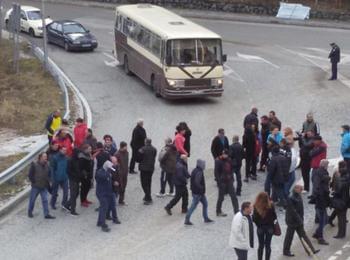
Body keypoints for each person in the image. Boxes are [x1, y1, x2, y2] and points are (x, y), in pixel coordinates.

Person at [283, 184, 320, 257]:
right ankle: (286, 251)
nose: (301, 191)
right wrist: (300, 220)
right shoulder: (291, 198)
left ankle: (311, 250)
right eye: (300, 189)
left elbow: (300, 210)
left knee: (303, 236)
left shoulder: (297, 196)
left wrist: (301, 219)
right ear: (296, 189)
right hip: (292, 221)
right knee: (289, 237)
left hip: (298, 220)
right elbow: (293, 212)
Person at [184, 159, 213, 225]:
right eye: (204, 164)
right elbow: (197, 182)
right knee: (193, 206)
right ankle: (187, 219)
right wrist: (201, 188)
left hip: (198, 192)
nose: (204, 166)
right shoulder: (199, 172)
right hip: (198, 193)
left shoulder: (195, 170)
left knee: (205, 204)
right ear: (201, 165)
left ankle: (206, 218)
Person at [28, 152, 55, 219]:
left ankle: (46, 214)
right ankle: (30, 211)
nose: (46, 158)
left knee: (45, 200)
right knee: (32, 200)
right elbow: (30, 175)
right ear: (40, 157)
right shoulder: (34, 164)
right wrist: (34, 182)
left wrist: (50, 181)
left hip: (44, 186)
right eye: (44, 156)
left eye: (46, 156)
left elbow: (49, 174)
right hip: (35, 187)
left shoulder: (48, 164)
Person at [252, 192, 277, 260]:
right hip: (269, 228)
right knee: (268, 246)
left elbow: (254, 218)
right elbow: (274, 217)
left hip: (260, 228)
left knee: (260, 245)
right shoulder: (271, 205)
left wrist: (258, 225)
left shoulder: (256, 206)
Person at [312, 159, 331, 245]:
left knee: (324, 219)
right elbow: (318, 186)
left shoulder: (318, 172)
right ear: (325, 165)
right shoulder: (321, 173)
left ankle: (317, 233)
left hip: (320, 199)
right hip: (321, 200)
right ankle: (320, 237)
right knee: (323, 220)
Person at [215, 150, 239, 216]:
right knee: (221, 197)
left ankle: (236, 211)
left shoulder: (229, 160)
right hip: (222, 182)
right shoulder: (218, 161)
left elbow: (232, 168)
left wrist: (231, 177)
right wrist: (219, 182)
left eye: (225, 154)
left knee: (233, 196)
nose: (224, 155)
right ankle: (218, 211)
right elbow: (216, 173)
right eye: (223, 154)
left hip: (229, 181)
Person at [95, 160, 117, 232]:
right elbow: (105, 177)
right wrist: (109, 173)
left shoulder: (108, 171)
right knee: (104, 208)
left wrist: (113, 182)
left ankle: (113, 219)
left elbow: (110, 178)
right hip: (102, 193)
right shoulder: (100, 173)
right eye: (109, 168)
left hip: (109, 192)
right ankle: (103, 224)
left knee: (112, 205)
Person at [331, 161, 350, 239]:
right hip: (346, 199)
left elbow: (338, 190)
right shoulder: (348, 176)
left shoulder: (340, 178)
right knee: (343, 217)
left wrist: (334, 192)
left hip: (340, 200)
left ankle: (341, 234)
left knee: (341, 218)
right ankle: (342, 233)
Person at [50, 146, 69, 210]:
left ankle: (64, 204)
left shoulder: (66, 157)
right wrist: (53, 179)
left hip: (64, 178)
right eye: (63, 150)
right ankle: (52, 203)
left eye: (65, 150)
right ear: (60, 150)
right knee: (55, 193)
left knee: (66, 192)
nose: (65, 151)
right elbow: (52, 169)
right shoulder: (55, 158)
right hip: (56, 178)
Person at [138, 138, 157, 205]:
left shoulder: (142, 149)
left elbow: (138, 159)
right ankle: (147, 196)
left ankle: (148, 197)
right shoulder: (154, 149)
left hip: (144, 168)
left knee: (144, 183)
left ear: (145, 142)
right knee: (149, 183)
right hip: (151, 168)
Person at [67, 148, 82, 216]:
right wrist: (76, 175)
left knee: (76, 194)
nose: (79, 154)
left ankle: (67, 205)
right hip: (72, 180)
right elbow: (68, 171)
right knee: (73, 194)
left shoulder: (78, 160)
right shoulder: (70, 160)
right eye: (78, 153)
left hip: (77, 179)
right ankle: (73, 210)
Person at [106, 156, 121, 224]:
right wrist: (113, 182)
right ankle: (115, 218)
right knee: (113, 204)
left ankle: (107, 214)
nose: (116, 163)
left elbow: (118, 176)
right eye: (114, 162)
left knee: (111, 203)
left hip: (116, 188)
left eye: (116, 161)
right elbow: (107, 179)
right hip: (111, 189)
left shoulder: (116, 167)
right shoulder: (108, 169)